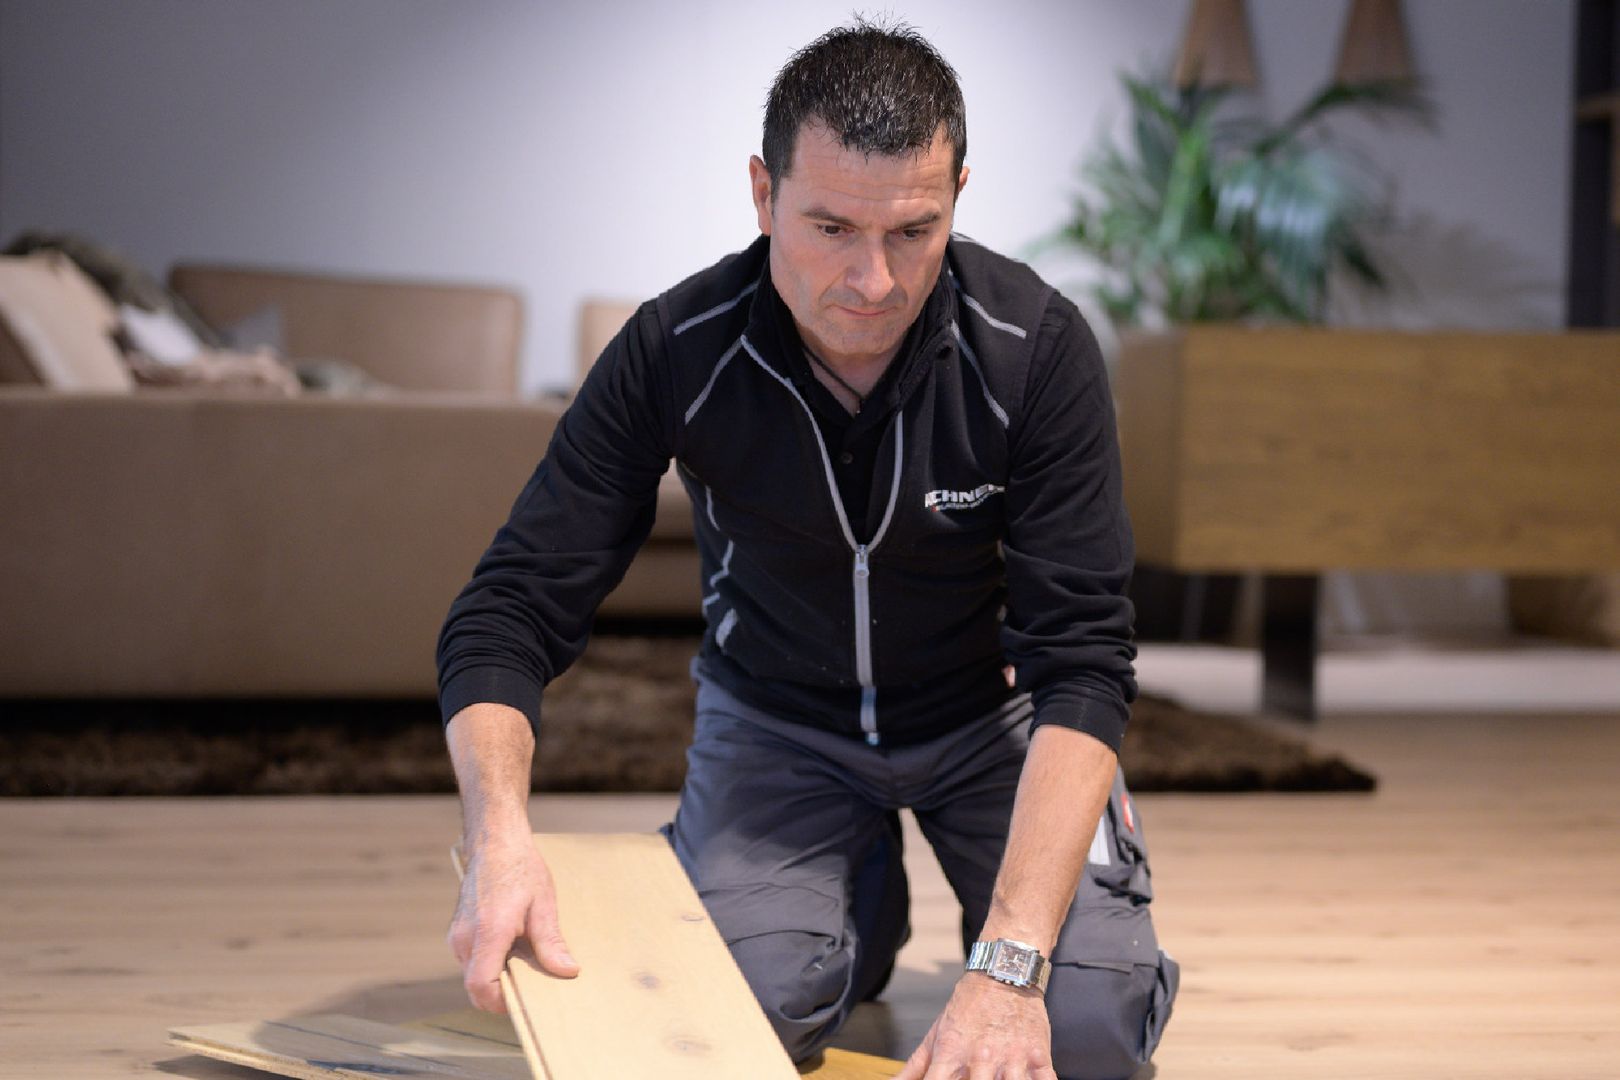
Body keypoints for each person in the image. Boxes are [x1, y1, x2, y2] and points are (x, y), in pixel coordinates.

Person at [436, 19, 1178, 1080]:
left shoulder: (1036, 351)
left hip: (993, 724)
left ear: (958, 195)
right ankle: (854, 891)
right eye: (831, 227)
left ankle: (903, 897)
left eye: (913, 231)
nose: (873, 280)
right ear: (762, 192)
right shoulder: (675, 351)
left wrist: (1010, 970)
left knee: (1091, 1032)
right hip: (778, 726)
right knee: (738, 1020)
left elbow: (1087, 662)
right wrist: (500, 837)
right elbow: (509, 607)